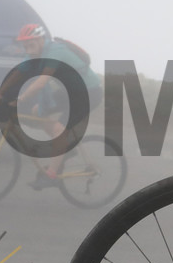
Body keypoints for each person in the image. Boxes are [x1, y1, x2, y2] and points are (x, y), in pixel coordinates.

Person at [6, 23, 103, 188]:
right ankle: (65, 147)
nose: (27, 48)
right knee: (38, 111)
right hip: (70, 91)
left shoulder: (55, 51)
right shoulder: (34, 54)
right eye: (25, 45)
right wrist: (0, 94)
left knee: (59, 129)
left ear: (40, 40)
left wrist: (20, 99)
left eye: (30, 43)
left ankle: (51, 175)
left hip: (89, 92)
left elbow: (41, 82)